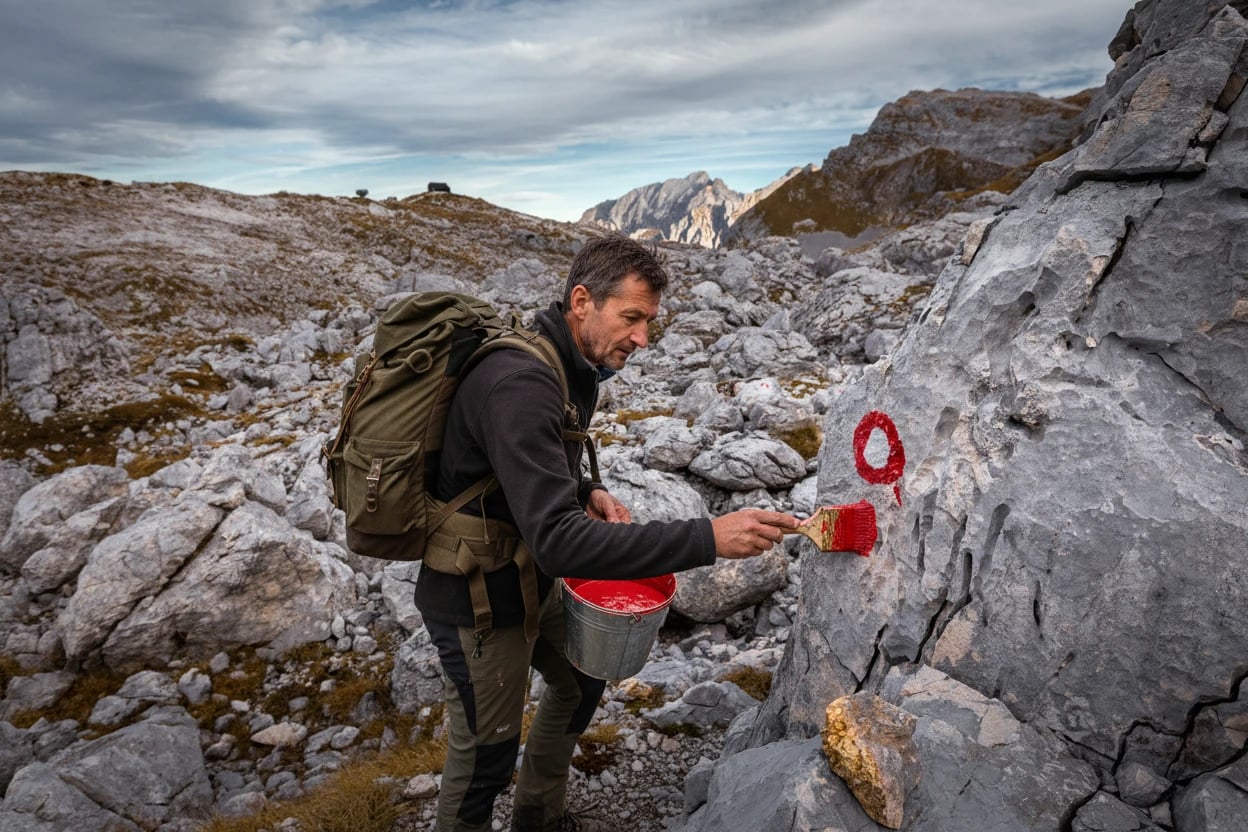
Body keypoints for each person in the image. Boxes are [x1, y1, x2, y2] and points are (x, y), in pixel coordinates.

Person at [415, 234, 799, 832]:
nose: (643, 338)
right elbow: (560, 542)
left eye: (649, 321)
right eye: (633, 318)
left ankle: (539, 816)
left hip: (526, 574)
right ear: (582, 301)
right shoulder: (520, 382)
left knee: (582, 677)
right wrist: (707, 538)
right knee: (483, 761)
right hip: (477, 597)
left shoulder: (574, 365)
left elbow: (521, 472)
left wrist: (583, 490)